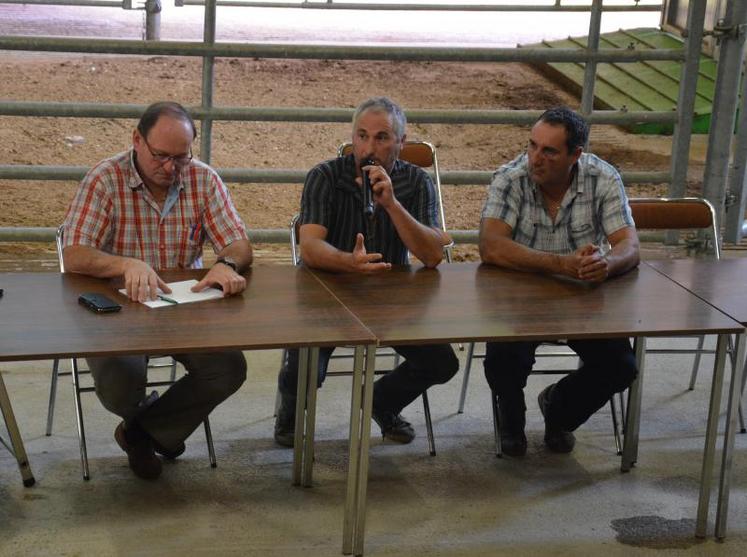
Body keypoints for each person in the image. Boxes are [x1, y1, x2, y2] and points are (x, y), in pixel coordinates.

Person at [62, 101, 252, 480]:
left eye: (181, 157)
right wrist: (125, 264)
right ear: (137, 140)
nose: (171, 168)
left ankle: (141, 432)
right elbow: (74, 253)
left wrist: (225, 264)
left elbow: (239, 244)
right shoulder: (105, 179)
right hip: (116, 312)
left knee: (228, 367)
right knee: (121, 383)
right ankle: (150, 426)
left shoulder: (202, 179)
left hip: (183, 310)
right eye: (161, 156)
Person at [274, 96, 459, 447]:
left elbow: (433, 256)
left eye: (381, 137)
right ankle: (289, 414)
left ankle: (381, 401)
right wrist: (349, 262)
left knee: (442, 362)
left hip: (392, 299)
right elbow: (311, 247)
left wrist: (391, 203)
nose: (368, 147)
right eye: (361, 136)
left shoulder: (417, 183)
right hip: (327, 292)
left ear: (401, 143)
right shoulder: (325, 176)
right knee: (304, 366)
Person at [479, 106, 640, 457]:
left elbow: (630, 244)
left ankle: (559, 410)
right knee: (503, 359)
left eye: (549, 151)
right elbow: (491, 246)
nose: (535, 158)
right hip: (518, 299)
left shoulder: (603, 177)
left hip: (583, 298)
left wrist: (606, 264)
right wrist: (560, 265)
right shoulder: (510, 178)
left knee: (621, 366)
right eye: (532, 145)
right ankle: (511, 419)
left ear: (575, 155)